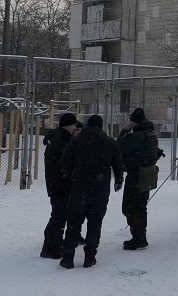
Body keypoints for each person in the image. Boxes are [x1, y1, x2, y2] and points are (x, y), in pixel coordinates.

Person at [59, 114, 124, 269]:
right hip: (100, 189)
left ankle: (68, 258)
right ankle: (90, 257)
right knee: (95, 224)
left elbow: (65, 161)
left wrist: (72, 176)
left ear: (88, 125)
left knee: (74, 223)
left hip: (79, 188)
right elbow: (118, 163)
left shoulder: (77, 140)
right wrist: (119, 180)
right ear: (101, 126)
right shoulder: (109, 142)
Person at [117, 107, 160, 250]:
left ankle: (138, 238)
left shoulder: (138, 136)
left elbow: (119, 146)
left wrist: (125, 130)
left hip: (136, 174)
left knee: (129, 207)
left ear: (134, 122)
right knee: (141, 206)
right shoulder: (151, 134)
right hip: (147, 174)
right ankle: (141, 236)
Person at [40, 112, 78, 259]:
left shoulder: (60, 138)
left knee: (59, 215)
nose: (75, 127)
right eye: (74, 124)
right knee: (58, 215)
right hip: (59, 185)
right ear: (68, 125)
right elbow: (63, 162)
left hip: (59, 184)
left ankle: (54, 243)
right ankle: (50, 247)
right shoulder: (59, 140)